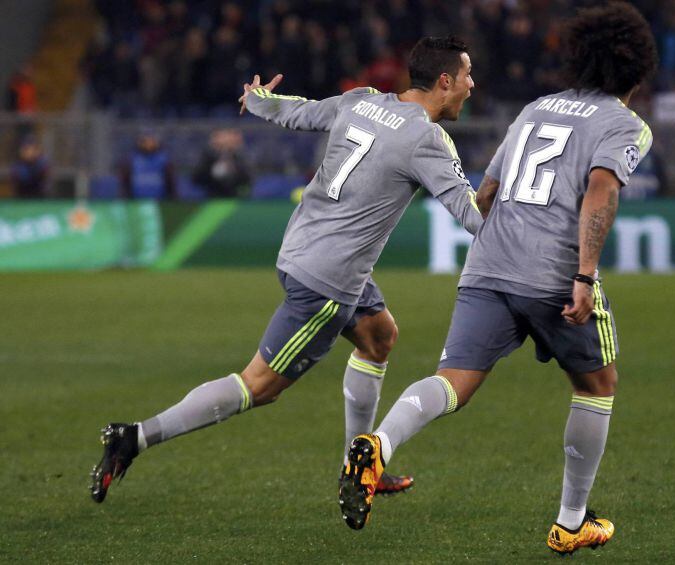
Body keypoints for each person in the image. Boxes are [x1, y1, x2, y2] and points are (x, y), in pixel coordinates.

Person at [89, 36, 481, 504]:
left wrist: (257, 99)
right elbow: (475, 217)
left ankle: (356, 466)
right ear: (443, 82)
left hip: (305, 249)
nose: (472, 86)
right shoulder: (427, 139)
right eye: (466, 76)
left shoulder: (361, 101)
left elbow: (299, 112)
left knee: (379, 337)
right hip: (328, 280)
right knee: (258, 386)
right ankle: (133, 437)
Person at [339, 3, 657, 557]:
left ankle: (378, 443)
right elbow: (601, 190)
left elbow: (486, 190)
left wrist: (492, 250)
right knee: (596, 386)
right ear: (637, 68)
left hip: (489, 262)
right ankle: (570, 522)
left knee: (453, 380)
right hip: (554, 270)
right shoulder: (624, 124)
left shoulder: (535, 109)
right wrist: (583, 275)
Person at [192, 128, 252, 198]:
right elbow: (196, 179)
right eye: (220, 143)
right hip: (211, 198)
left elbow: (249, 179)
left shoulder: (240, 158)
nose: (225, 144)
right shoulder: (208, 158)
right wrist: (211, 168)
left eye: (229, 141)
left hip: (235, 199)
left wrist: (234, 168)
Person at [120, 131, 176, 199]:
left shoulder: (164, 159)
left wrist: (172, 196)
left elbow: (170, 181)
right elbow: (125, 181)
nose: (148, 145)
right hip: (137, 199)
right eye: (145, 142)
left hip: (159, 199)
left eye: (151, 142)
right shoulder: (131, 159)